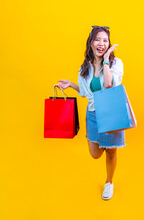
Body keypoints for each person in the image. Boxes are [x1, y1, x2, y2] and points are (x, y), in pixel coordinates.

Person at [54, 25, 125, 200]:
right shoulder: (84, 68)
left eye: (105, 40)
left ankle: (109, 182)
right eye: (98, 39)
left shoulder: (116, 63)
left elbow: (109, 84)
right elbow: (87, 93)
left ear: (108, 45)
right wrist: (71, 85)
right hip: (93, 114)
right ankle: (104, 141)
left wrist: (106, 61)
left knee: (111, 151)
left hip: (112, 113)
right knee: (95, 154)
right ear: (91, 43)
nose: (101, 43)